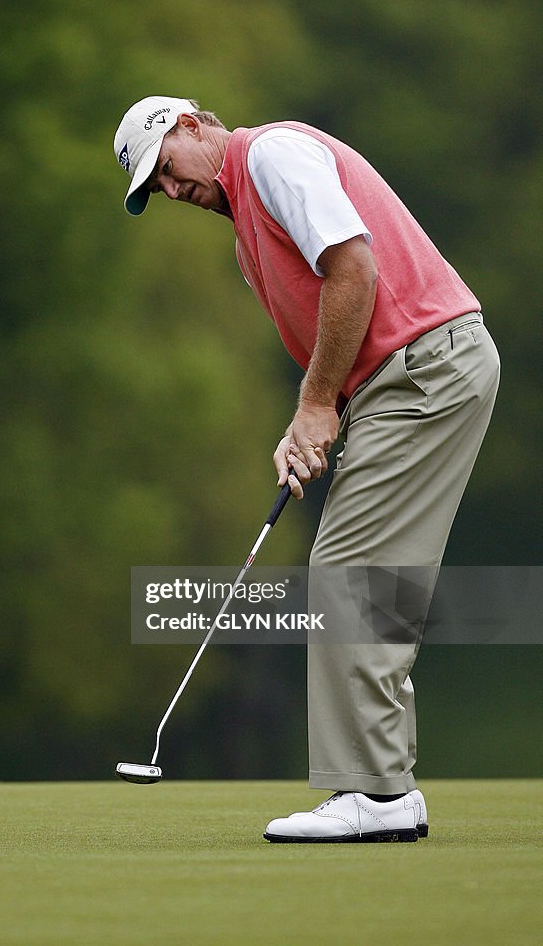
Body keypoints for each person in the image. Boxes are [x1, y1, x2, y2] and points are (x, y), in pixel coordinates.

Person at [113, 96, 500, 843]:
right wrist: (313, 426)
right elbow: (334, 335)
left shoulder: (270, 156)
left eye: (166, 169)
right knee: (361, 570)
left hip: (423, 370)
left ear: (192, 126)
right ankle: (380, 789)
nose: (171, 192)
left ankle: (376, 795)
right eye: (155, 190)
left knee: (351, 569)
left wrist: (317, 403)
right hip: (400, 381)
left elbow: (353, 270)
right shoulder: (245, 239)